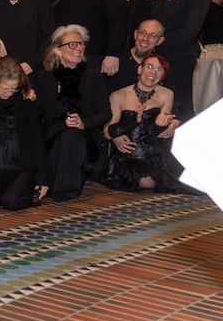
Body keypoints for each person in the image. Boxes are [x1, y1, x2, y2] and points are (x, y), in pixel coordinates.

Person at [33, 25, 112, 201]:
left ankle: (64, 191)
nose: (79, 48)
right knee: (63, 138)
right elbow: (34, 113)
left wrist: (84, 123)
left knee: (71, 135)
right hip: (52, 138)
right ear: (57, 51)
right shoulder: (45, 77)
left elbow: (106, 113)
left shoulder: (93, 76)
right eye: (72, 44)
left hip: (84, 139)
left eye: (82, 44)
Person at [0, 57, 49, 210]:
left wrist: (43, 177)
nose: (10, 93)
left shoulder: (26, 105)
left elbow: (37, 142)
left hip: (22, 168)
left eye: (14, 89)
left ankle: (15, 192)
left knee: (11, 201)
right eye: (5, 89)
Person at [101, 52, 187, 193]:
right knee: (146, 181)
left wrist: (161, 125)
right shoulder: (119, 95)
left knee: (191, 179)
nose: (153, 72)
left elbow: (162, 134)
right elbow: (107, 131)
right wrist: (120, 133)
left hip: (157, 155)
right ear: (140, 69)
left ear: (163, 75)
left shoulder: (167, 94)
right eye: (149, 67)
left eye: (159, 69)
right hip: (129, 155)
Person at [148, 0, 209, 120]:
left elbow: (191, 30)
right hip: (157, 55)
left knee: (180, 102)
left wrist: (159, 46)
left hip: (181, 56)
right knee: (156, 101)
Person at [113, 18, 166, 91]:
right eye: (142, 33)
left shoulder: (162, 67)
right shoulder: (115, 61)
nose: (145, 38)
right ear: (135, 34)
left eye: (152, 36)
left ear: (159, 41)